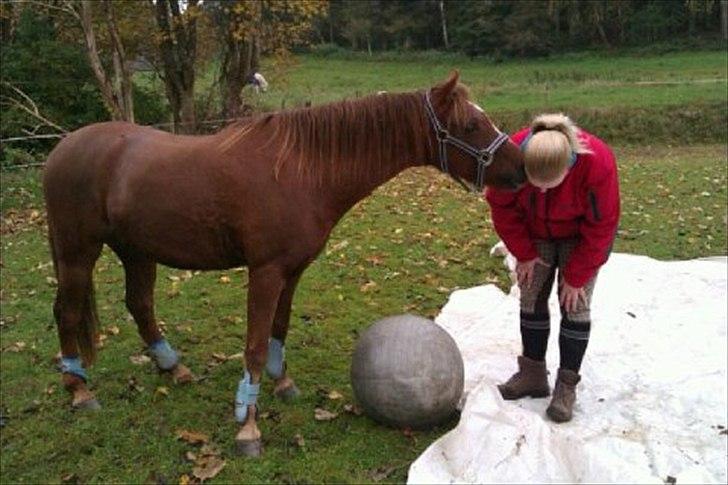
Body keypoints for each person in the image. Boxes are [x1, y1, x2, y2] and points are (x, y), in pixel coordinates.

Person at [485, 113, 620, 422]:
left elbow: (602, 225)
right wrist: (524, 253)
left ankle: (566, 385)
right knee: (530, 294)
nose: (543, 191)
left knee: (575, 304)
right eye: (536, 184)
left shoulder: (597, 162)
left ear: (569, 166)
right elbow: (501, 206)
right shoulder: (512, 155)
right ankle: (532, 373)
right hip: (534, 233)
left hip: (581, 236)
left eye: (551, 185)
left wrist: (575, 277)